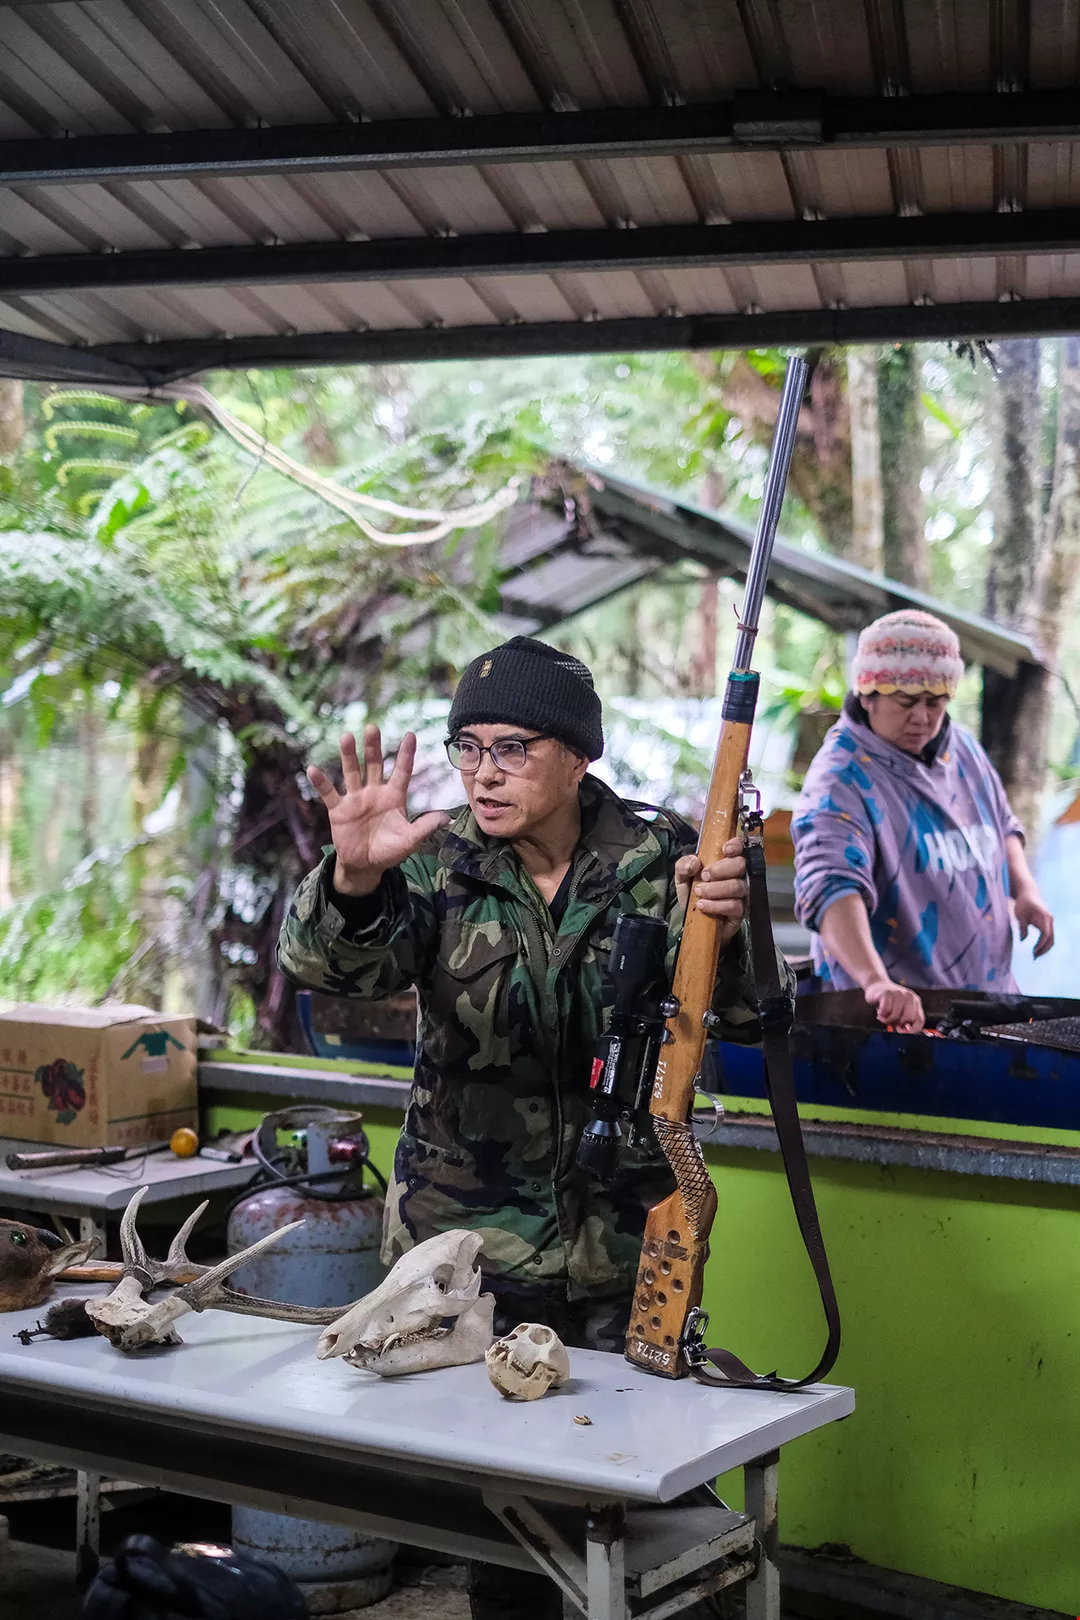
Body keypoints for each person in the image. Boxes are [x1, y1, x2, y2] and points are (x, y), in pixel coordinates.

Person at [278, 635, 764, 1620]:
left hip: (627, 1242)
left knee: (643, 1489)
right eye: (468, 748)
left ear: (577, 756)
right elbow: (331, 970)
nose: (484, 773)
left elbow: (750, 1015)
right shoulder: (434, 859)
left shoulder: (664, 857)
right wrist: (353, 882)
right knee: (512, 1529)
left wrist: (734, 924)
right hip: (467, 1255)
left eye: (512, 748)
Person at [793, 609, 1054, 1034]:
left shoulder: (961, 747)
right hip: (896, 1021)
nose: (922, 717)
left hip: (987, 1004)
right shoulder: (839, 779)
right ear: (868, 694)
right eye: (906, 701)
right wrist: (876, 982)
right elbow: (830, 889)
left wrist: (1025, 891)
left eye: (935, 702)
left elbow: (1002, 825)